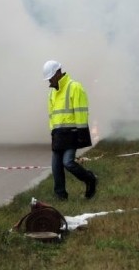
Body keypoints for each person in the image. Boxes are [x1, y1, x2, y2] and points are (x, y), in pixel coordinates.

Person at [42, 60, 98, 201]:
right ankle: (60, 195)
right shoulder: (52, 93)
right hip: (58, 135)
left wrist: (82, 133)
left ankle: (90, 179)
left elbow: (81, 112)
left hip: (72, 133)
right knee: (56, 166)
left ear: (58, 73)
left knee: (68, 162)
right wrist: (53, 134)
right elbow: (52, 117)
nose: (49, 80)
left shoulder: (74, 87)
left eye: (51, 76)